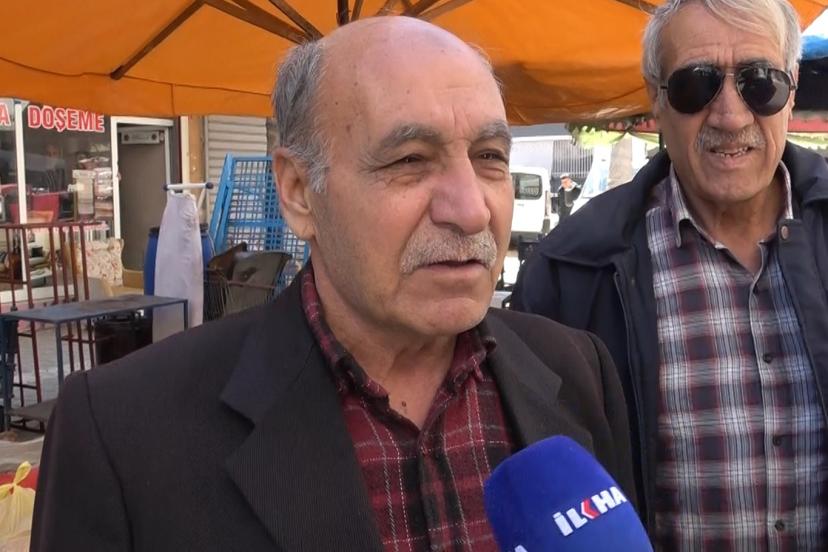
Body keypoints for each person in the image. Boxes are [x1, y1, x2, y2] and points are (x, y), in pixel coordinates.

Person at [31, 16, 635, 551]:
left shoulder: (577, 370)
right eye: (409, 160)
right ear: (299, 193)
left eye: (490, 156)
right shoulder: (123, 432)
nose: (472, 210)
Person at [512, 0, 828, 549]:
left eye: (760, 83)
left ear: (792, 88)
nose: (731, 117)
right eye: (695, 85)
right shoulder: (571, 272)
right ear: (656, 99)